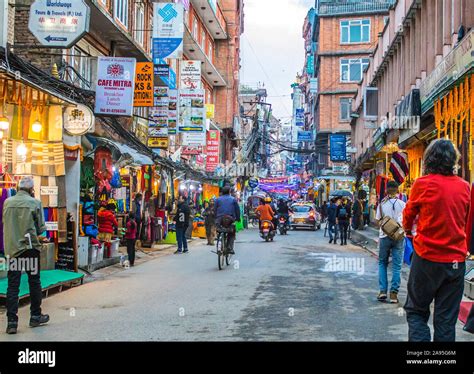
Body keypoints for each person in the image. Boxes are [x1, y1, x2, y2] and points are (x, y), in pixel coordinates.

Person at [403, 139, 470, 342]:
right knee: (446, 320)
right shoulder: (465, 187)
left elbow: (408, 215)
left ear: (429, 160)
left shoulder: (422, 184)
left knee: (416, 311)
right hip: (456, 263)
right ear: (453, 161)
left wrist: (408, 231)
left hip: (426, 259)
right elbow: (466, 220)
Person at [3, 176, 49, 334]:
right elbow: (41, 229)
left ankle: (12, 323)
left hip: (13, 249)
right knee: (34, 281)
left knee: (13, 285)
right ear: (31, 189)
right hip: (30, 249)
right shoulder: (34, 203)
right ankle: (35, 316)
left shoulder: (7, 202)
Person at [375, 180, 406, 303]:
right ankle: (394, 294)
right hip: (399, 237)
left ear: (386, 190)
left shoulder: (381, 205)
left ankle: (383, 291)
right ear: (397, 190)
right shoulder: (403, 204)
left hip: (384, 236)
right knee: (397, 266)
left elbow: (378, 221)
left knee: (382, 263)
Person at [215, 185, 240, 254]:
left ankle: (219, 245)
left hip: (219, 219)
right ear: (229, 192)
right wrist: (238, 218)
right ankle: (230, 248)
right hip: (230, 219)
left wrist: (215, 218)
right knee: (231, 233)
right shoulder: (233, 199)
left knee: (219, 230)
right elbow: (237, 210)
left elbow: (215, 210)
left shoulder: (218, 199)